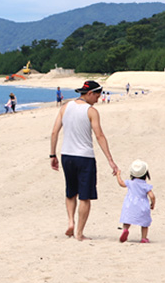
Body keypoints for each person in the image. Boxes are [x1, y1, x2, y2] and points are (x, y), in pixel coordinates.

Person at [50, 80, 119, 241]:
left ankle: (70, 222)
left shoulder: (65, 107)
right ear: (89, 93)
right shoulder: (91, 111)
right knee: (85, 197)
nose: (98, 99)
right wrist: (110, 160)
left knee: (70, 192)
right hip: (85, 157)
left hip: (66, 155)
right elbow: (99, 136)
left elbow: (54, 133)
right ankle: (79, 233)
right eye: (97, 95)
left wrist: (52, 155)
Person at [116, 159, 155, 244]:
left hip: (129, 205)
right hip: (142, 206)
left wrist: (118, 175)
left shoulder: (130, 183)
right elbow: (152, 196)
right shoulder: (145, 185)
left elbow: (121, 183)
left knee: (127, 220)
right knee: (145, 223)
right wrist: (153, 203)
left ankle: (125, 230)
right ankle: (144, 238)